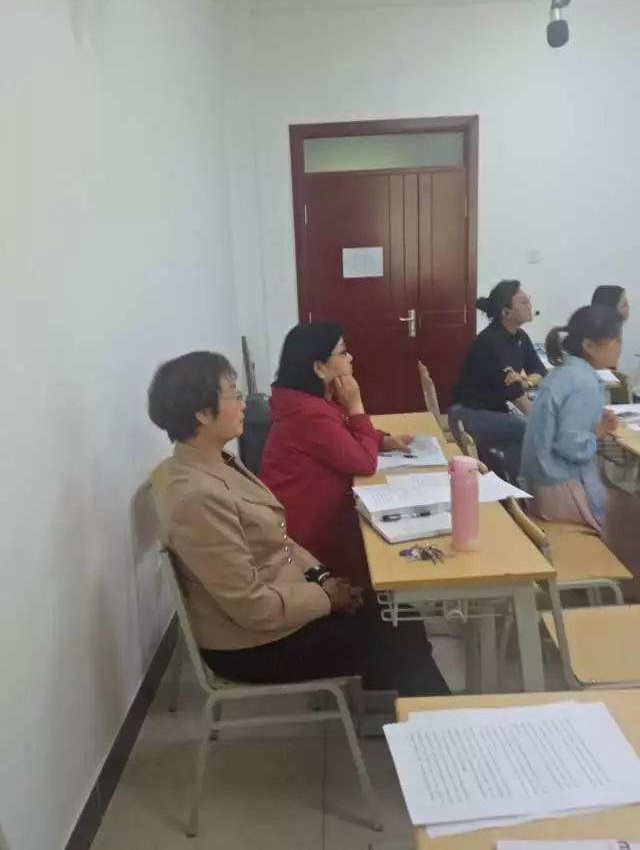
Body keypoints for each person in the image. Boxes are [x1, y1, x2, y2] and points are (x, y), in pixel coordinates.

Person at [147, 350, 449, 696]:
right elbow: (251, 607)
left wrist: (322, 577)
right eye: (233, 394)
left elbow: (278, 539)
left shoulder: (216, 461)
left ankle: (404, 706)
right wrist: (325, 598)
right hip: (252, 644)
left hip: (282, 603)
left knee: (400, 620)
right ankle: (438, 726)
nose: (243, 403)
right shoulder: (197, 497)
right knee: (395, 638)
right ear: (202, 413)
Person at [260, 322, 413, 586]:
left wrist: (382, 440)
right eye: (342, 352)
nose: (350, 358)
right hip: (307, 538)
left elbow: (341, 432)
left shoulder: (305, 401)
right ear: (319, 367)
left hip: (317, 519)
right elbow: (364, 463)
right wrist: (356, 405)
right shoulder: (308, 414)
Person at [520, 305, 623, 531]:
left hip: (540, 483)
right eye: (616, 339)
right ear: (590, 346)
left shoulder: (564, 371)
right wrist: (597, 431)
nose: (620, 347)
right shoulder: (585, 382)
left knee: (616, 499)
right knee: (627, 513)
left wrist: (593, 422)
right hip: (558, 487)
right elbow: (570, 445)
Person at [449, 280, 547, 480]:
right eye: (523, 302)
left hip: (494, 412)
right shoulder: (490, 342)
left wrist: (528, 382)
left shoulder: (519, 337)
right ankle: (539, 484)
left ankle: (513, 487)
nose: (530, 306)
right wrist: (542, 423)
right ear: (506, 312)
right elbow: (516, 396)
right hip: (468, 414)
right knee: (527, 427)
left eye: (528, 300)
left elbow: (539, 371)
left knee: (515, 446)